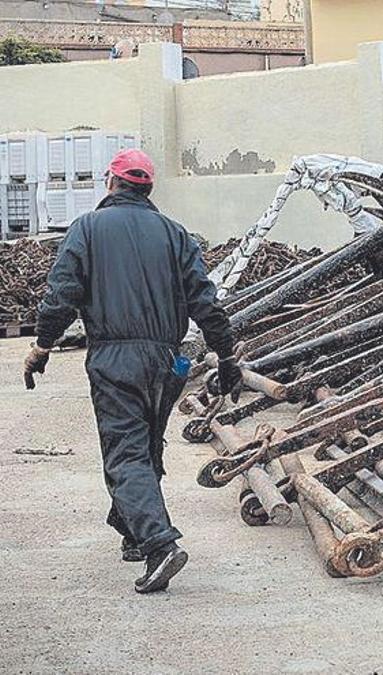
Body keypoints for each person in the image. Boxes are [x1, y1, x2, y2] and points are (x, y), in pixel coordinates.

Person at [23, 149, 244, 593]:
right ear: (148, 189)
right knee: (145, 444)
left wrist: (42, 346)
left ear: (111, 183)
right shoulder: (175, 234)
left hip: (114, 359)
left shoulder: (87, 229)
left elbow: (61, 294)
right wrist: (226, 356)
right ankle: (131, 531)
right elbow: (206, 301)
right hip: (169, 360)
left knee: (125, 453)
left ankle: (160, 544)